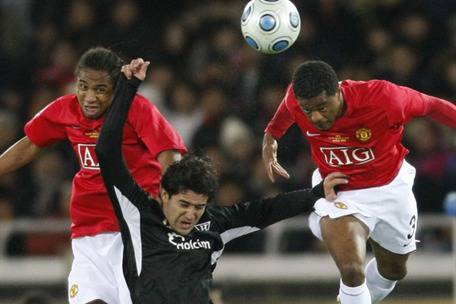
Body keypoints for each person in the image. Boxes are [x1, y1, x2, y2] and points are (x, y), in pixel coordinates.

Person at [95, 58, 349, 304]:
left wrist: (316, 193)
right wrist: (127, 89)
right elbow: (106, 150)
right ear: (164, 195)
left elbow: (267, 210)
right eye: (184, 204)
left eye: (198, 206)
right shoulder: (139, 215)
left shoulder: (215, 222)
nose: (191, 214)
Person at [0, 47, 187, 304]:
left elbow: (170, 153)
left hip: (135, 227)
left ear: (117, 88)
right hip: (87, 231)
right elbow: (31, 143)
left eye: (100, 89)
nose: (89, 97)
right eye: (83, 86)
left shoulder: (136, 108)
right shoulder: (65, 109)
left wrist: (167, 201)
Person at [262, 60, 456, 303]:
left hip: (390, 188)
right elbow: (288, 107)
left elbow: (431, 105)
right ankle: (323, 219)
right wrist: (271, 135)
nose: (316, 117)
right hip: (339, 191)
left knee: (393, 271)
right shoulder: (297, 100)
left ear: (338, 92)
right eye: (308, 110)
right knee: (353, 270)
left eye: (322, 107)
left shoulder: (385, 99)